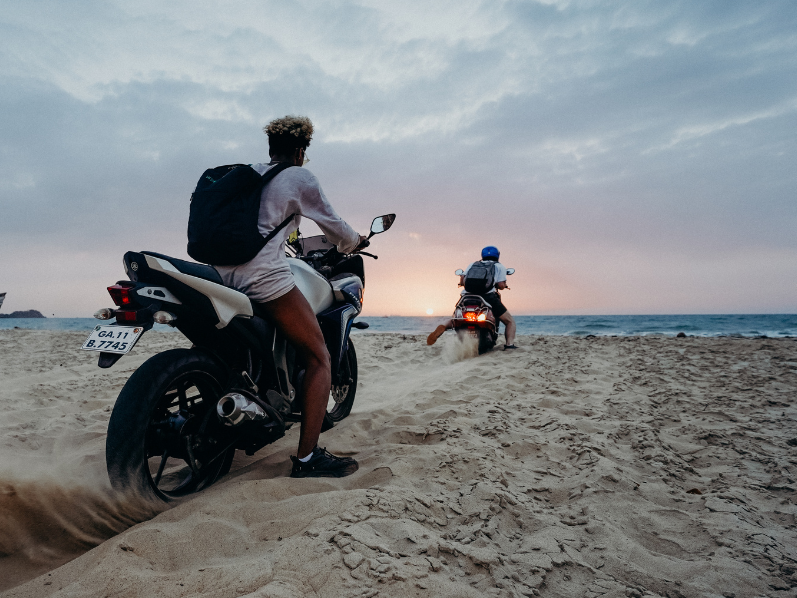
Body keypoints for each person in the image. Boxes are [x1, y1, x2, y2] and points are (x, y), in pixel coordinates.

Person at [215, 115, 366, 478]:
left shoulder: (246, 174)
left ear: (271, 148)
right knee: (319, 357)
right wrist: (356, 241)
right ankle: (307, 458)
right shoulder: (298, 177)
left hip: (219, 275)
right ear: (300, 151)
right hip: (263, 277)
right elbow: (335, 227)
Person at [427, 246, 517, 350]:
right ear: (497, 255)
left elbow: (462, 280)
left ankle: (443, 326)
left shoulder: (473, 264)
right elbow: (501, 285)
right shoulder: (499, 266)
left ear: (482, 255)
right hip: (487, 297)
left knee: (455, 318)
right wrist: (503, 285)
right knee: (509, 321)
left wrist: (462, 283)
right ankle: (509, 345)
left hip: (467, 296)